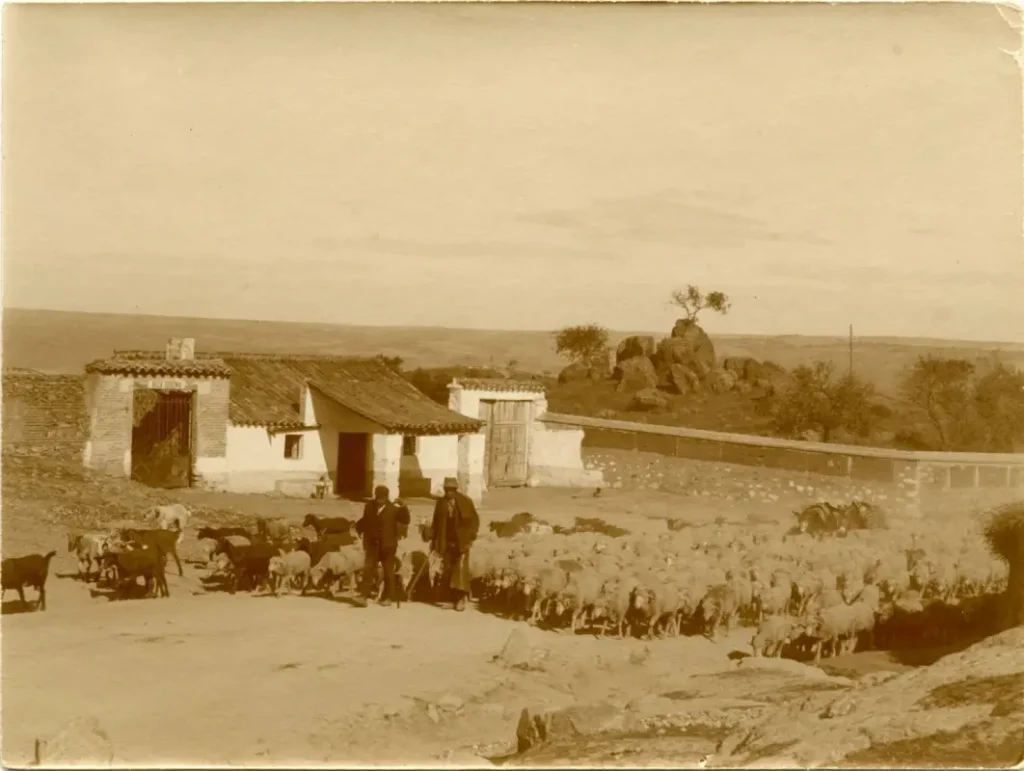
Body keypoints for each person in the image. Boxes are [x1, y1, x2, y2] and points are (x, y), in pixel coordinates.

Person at [429, 477, 480, 611]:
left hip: (462, 542)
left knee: (461, 570)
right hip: (447, 541)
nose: (449, 492)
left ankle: (461, 599)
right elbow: (436, 522)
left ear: (455, 490)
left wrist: (471, 536)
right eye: (447, 489)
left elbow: (475, 520)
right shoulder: (440, 503)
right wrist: (433, 540)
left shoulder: (465, 502)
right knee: (449, 569)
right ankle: (452, 599)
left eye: (451, 490)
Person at [355, 485, 411, 607]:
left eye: (382, 499)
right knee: (368, 569)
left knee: (388, 572)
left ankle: (387, 597)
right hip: (372, 544)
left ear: (386, 497)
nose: (379, 501)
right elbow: (365, 520)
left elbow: (406, 520)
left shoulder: (394, 509)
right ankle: (363, 596)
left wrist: (404, 506)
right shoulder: (369, 506)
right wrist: (358, 528)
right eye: (378, 498)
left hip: (388, 545)